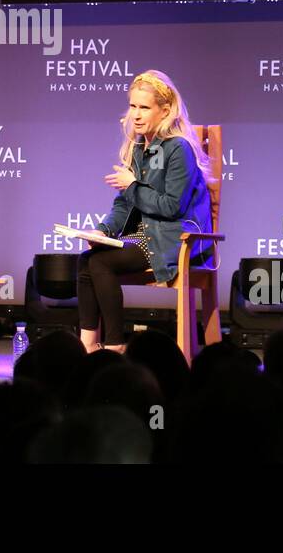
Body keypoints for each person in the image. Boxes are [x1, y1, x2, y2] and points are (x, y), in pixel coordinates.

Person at [76, 70, 213, 353]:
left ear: (164, 111)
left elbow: (171, 206)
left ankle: (114, 346)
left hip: (171, 238)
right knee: (87, 260)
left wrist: (133, 185)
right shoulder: (139, 147)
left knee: (101, 264)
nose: (136, 115)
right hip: (144, 235)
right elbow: (125, 204)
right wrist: (104, 231)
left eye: (144, 107)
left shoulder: (178, 149)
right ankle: (88, 345)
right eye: (133, 106)